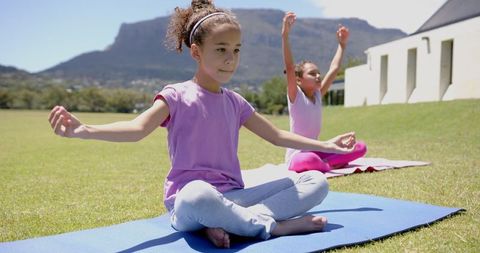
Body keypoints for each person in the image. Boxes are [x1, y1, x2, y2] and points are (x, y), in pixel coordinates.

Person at [48, 1, 357, 248]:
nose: (230, 59)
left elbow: (276, 136)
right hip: (189, 203)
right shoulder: (176, 96)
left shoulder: (235, 102)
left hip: (233, 197)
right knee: (199, 193)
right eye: (220, 49)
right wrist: (83, 130)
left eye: (236, 50)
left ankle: (226, 223)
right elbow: (138, 128)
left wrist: (327, 146)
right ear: (196, 51)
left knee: (316, 181)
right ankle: (269, 227)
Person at [282, 11, 367, 173]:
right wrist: (285, 35)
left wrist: (342, 45)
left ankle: (325, 163)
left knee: (360, 147)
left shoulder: (318, 95)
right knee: (309, 159)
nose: (318, 76)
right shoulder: (295, 95)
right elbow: (289, 67)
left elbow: (334, 69)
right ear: (299, 79)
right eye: (312, 73)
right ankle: (328, 165)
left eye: (318, 72)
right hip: (298, 156)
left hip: (317, 149)